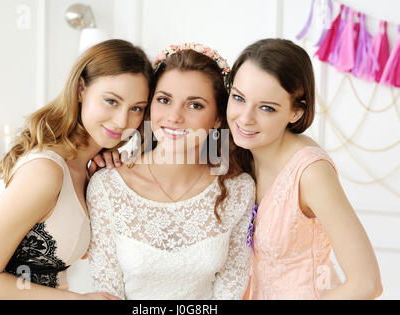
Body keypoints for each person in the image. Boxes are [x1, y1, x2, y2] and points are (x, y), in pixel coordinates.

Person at [0, 39, 153, 300]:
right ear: (81, 89)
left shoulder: (84, 169)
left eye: (136, 108)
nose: (122, 121)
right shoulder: (44, 172)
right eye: (111, 101)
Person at [87, 43, 255, 299]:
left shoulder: (238, 189)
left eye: (195, 105)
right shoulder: (107, 185)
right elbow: (107, 290)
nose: (174, 117)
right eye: (164, 100)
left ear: (218, 119)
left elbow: (231, 287)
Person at [226, 38, 382, 299]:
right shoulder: (239, 153)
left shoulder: (311, 173)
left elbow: (367, 283)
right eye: (239, 98)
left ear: (295, 112)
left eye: (266, 108)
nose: (245, 118)